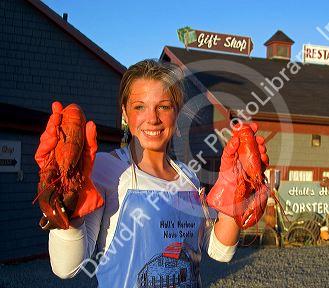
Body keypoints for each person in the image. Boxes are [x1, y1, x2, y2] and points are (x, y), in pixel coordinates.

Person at [35, 59, 269, 287]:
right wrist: (68, 211)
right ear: (125, 114)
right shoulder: (106, 169)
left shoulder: (189, 177)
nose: (153, 118)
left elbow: (219, 252)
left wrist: (236, 197)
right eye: (139, 107)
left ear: (177, 114)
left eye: (164, 107)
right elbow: (67, 268)